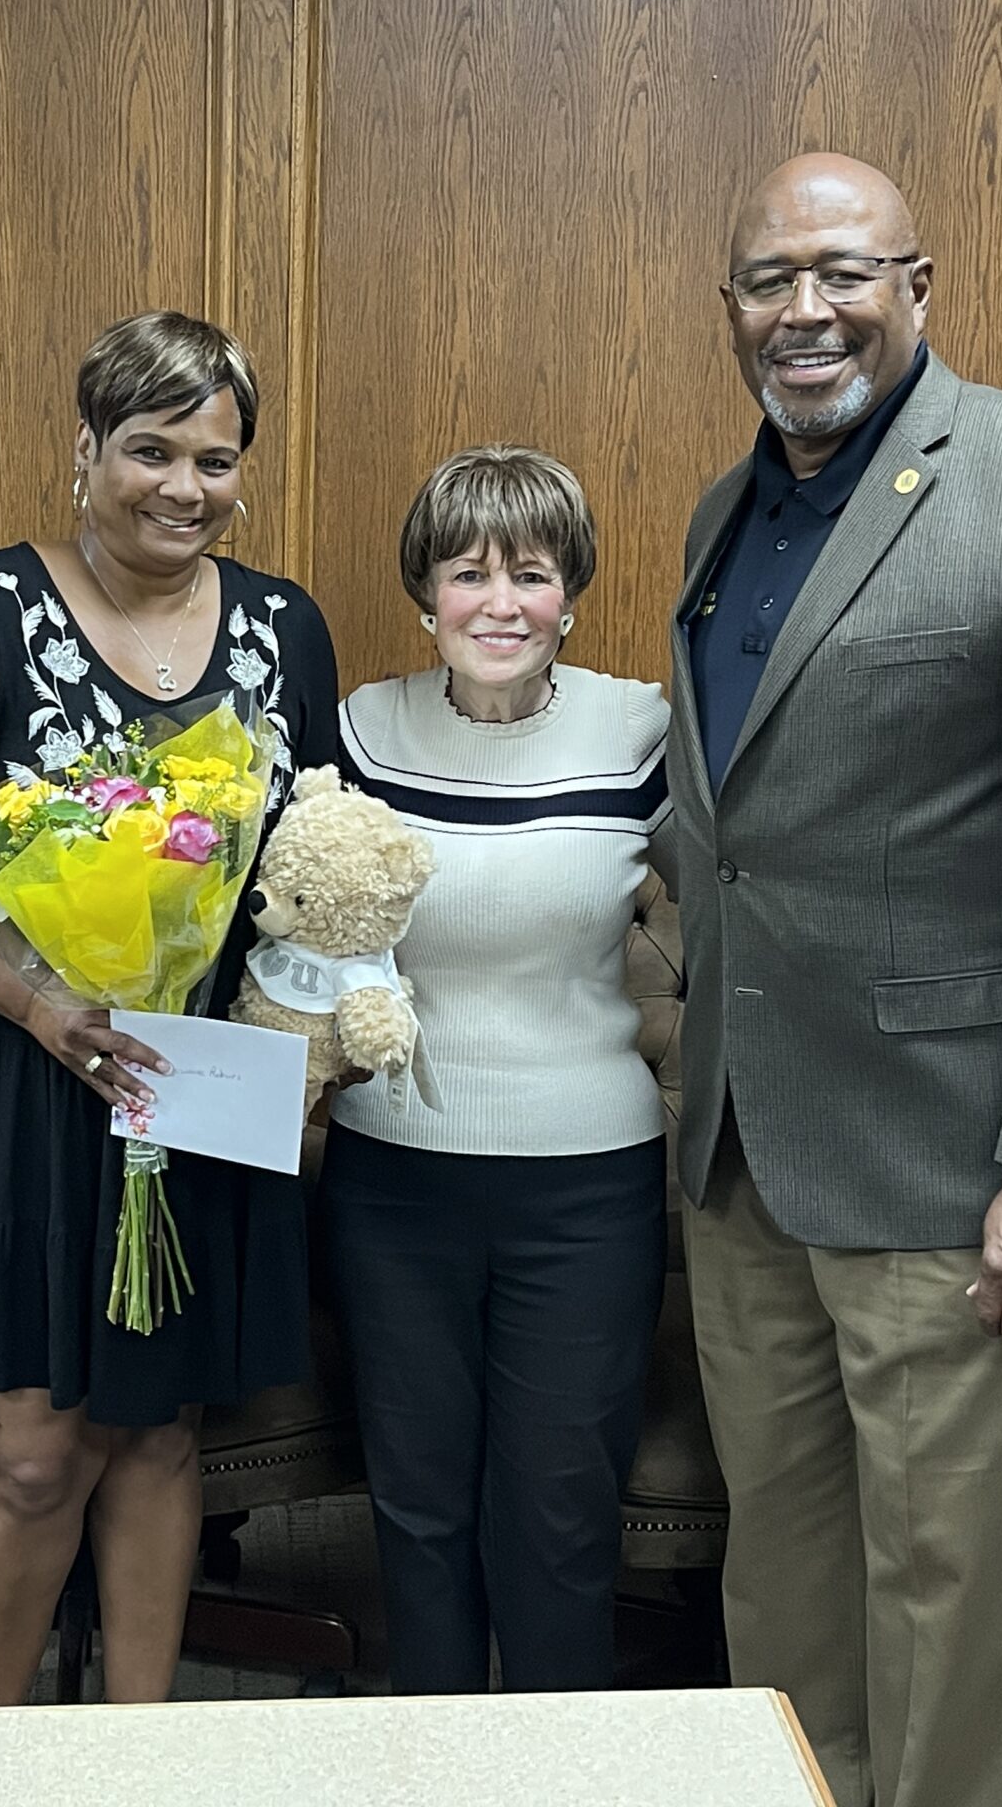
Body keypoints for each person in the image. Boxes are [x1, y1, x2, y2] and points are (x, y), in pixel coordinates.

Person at [665, 153, 1002, 1806]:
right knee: (788, 1579)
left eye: (844, 270)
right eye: (769, 277)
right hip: (750, 1155)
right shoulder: (726, 510)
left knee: (953, 1607)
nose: (804, 310)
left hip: (959, 1177)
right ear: (732, 304)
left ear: (919, 283)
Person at [0, 310, 339, 1705]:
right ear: (86, 451)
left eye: (216, 457)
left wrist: (301, 1047)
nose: (183, 486)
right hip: (19, 1082)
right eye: (150, 449)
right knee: (34, 1448)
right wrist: (46, 1008)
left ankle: (137, 1750)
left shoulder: (287, 627)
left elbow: (301, 861)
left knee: (163, 1436)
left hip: (199, 1081)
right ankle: (14, 1757)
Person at [324, 446, 672, 1694]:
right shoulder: (362, 727)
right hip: (395, 1181)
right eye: (468, 572)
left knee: (561, 1517)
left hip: (586, 1187)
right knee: (415, 1512)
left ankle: (554, 1767)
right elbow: (301, 938)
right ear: (426, 591)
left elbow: (751, 905)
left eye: (531, 572)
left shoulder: (640, 729)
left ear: (570, 590)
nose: (501, 602)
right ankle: (429, 1760)